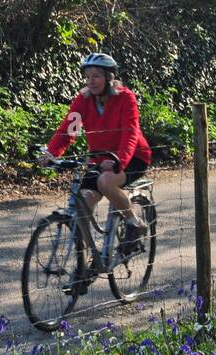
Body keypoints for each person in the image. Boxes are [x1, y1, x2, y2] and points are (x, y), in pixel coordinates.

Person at [38, 53, 152, 257]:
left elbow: (130, 132)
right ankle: (92, 257)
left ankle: (135, 223)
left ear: (109, 77)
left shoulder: (125, 97)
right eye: (88, 76)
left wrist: (119, 160)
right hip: (99, 158)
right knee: (83, 199)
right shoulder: (83, 100)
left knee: (106, 182)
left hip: (133, 157)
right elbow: (68, 130)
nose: (91, 81)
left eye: (97, 76)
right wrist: (51, 153)